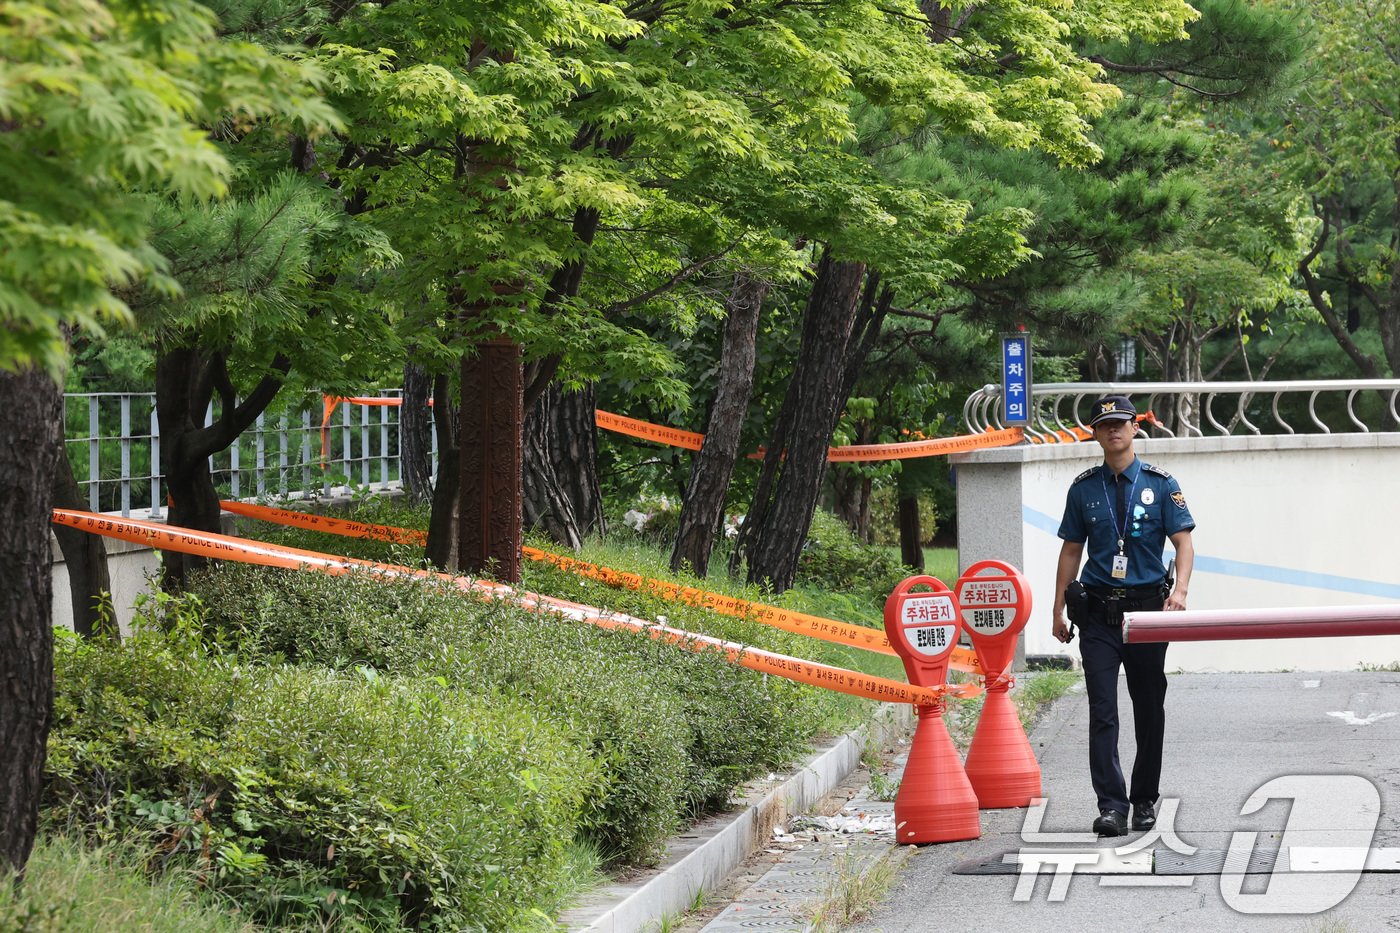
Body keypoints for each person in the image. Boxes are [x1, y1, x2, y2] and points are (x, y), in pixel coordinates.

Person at [1051, 395, 1195, 837]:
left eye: (1120, 423)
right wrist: (1057, 608)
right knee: (1102, 710)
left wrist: (1181, 592)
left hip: (1150, 611)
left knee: (1149, 708)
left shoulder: (1161, 483)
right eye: (1104, 425)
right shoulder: (1083, 488)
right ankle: (1111, 805)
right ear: (1095, 434)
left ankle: (1144, 799)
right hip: (1098, 613)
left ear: (1135, 428)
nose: (1113, 430)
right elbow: (1071, 550)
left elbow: (1184, 543)